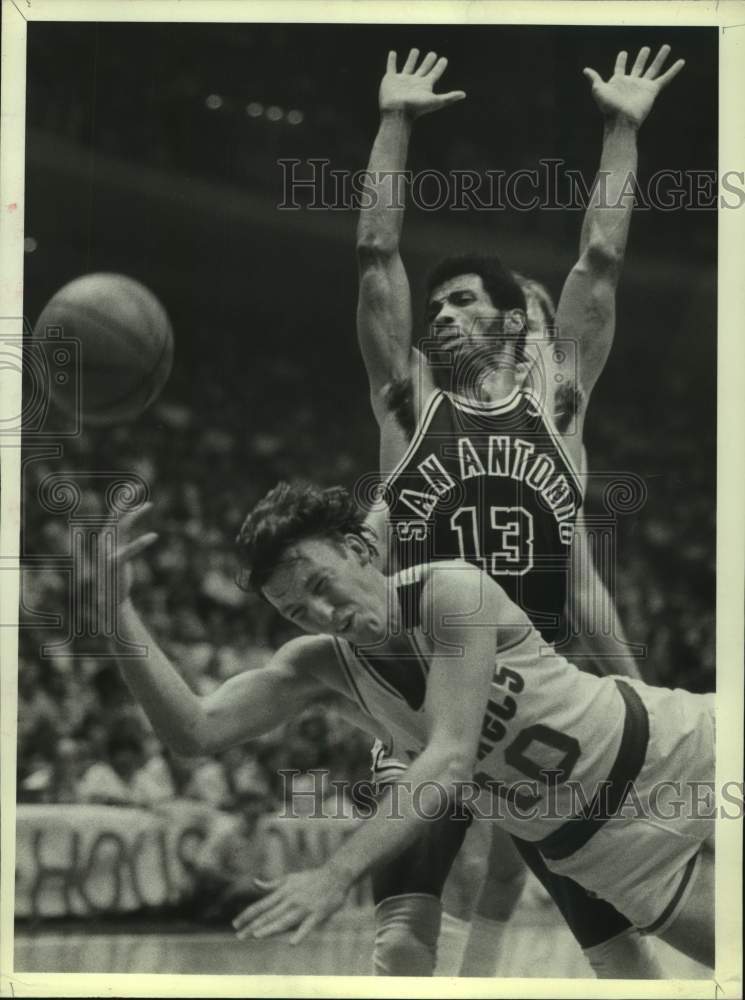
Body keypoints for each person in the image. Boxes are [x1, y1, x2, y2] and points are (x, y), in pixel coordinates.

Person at [352, 45, 685, 976]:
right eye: (440, 299)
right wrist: (393, 123)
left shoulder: (560, 411)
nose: (443, 312)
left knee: (627, 951)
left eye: (467, 299)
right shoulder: (407, 407)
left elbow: (601, 259)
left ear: (513, 325)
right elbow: (376, 254)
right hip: (423, 695)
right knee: (403, 941)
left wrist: (621, 130)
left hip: (531, 706)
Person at [105, 484, 715, 970]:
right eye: (296, 612)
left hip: (682, 751)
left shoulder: (453, 591)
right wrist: (116, 614)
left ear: (361, 551)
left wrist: (336, 873)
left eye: (321, 585)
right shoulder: (319, 668)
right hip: (607, 855)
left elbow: (449, 760)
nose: (324, 615)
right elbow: (195, 731)